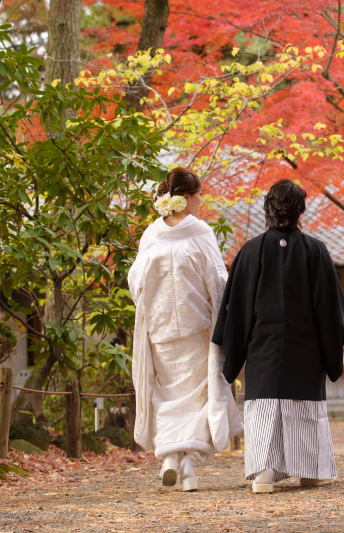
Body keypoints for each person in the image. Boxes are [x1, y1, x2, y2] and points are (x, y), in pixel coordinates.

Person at [212, 178, 344, 494]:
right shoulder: (315, 250)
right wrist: (331, 351)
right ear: (300, 211)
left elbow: (236, 311)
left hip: (263, 351)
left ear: (269, 209)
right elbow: (329, 310)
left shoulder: (250, 251)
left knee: (264, 411)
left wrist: (233, 353)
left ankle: (264, 472)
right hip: (306, 350)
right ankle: (310, 471)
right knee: (305, 411)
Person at [128, 167, 243, 492]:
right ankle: (189, 469)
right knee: (196, 399)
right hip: (196, 329)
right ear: (187, 197)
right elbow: (219, 282)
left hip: (161, 331)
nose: (201, 201)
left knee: (166, 396)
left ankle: (168, 460)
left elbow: (136, 282)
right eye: (198, 195)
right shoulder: (200, 232)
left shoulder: (151, 234)